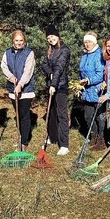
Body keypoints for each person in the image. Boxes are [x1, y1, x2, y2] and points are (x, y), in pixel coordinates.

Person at [1, 30, 36, 151]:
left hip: (26, 90)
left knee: (24, 115)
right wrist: (11, 77)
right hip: (12, 88)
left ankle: (24, 142)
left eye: (21, 40)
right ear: (13, 41)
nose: (19, 43)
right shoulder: (7, 52)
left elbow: (28, 71)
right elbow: (3, 66)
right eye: (16, 40)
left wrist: (20, 84)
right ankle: (20, 136)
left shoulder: (29, 53)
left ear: (24, 41)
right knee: (18, 114)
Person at [41, 25, 71, 156]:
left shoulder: (64, 50)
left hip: (61, 86)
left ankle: (64, 144)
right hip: (51, 85)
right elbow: (43, 64)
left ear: (57, 36)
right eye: (48, 37)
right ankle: (52, 137)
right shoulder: (50, 50)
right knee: (51, 112)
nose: (50, 39)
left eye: (52, 36)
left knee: (61, 114)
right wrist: (50, 74)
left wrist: (54, 83)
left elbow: (59, 67)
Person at [78, 31, 106, 150]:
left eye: (89, 42)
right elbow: (81, 73)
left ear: (94, 42)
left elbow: (100, 74)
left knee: (100, 117)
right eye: (85, 42)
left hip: (97, 90)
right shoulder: (85, 55)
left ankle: (101, 140)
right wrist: (80, 87)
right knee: (88, 116)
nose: (87, 44)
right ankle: (93, 137)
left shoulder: (99, 55)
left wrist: (88, 81)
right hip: (86, 91)